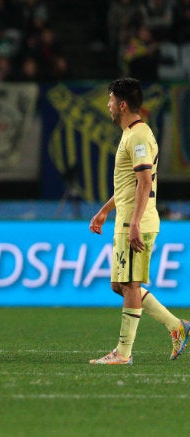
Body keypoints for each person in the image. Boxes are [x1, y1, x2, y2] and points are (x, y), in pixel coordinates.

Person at [89, 77, 190, 365]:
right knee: (119, 286)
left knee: (130, 285)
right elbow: (128, 185)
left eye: (110, 100)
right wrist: (105, 210)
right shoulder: (131, 133)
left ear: (122, 105)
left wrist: (134, 223)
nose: (107, 105)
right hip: (126, 218)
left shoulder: (139, 136)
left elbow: (145, 182)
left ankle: (122, 353)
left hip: (138, 221)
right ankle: (176, 326)